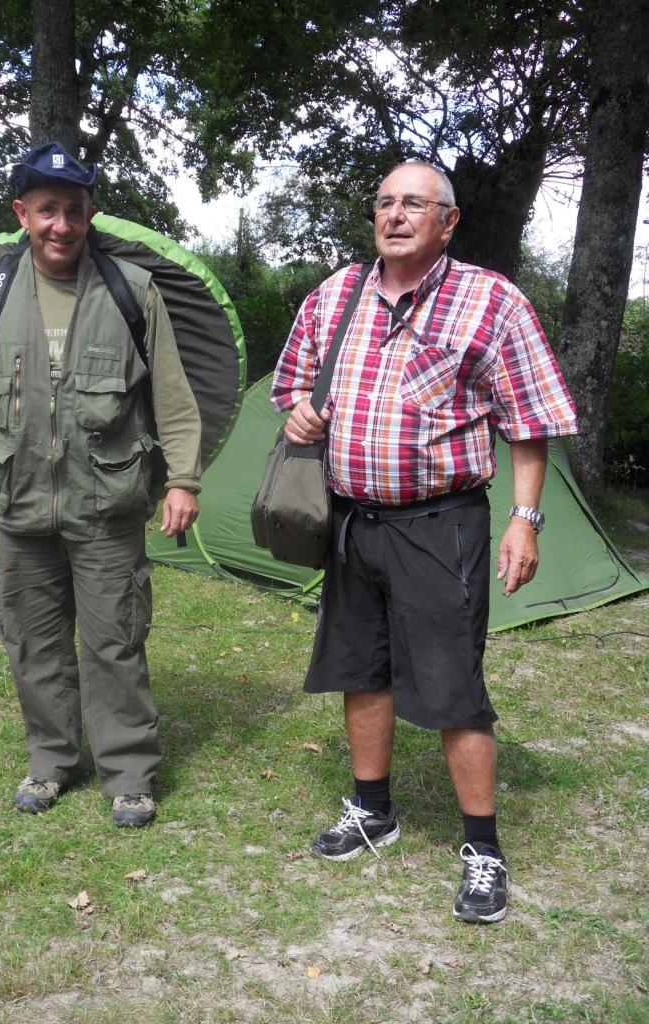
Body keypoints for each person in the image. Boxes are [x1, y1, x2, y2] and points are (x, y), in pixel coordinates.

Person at [271, 160, 578, 922]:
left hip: (442, 525)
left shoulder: (491, 301)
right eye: (385, 201)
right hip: (351, 520)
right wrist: (301, 414)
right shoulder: (336, 294)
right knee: (360, 670)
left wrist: (523, 518)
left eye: (415, 203)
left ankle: (482, 847)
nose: (396, 214)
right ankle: (373, 808)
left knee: (452, 689)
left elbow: (531, 423)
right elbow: (291, 383)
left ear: (448, 222)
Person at [0, 141, 201, 828]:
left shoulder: (131, 293)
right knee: (32, 640)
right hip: (17, 502)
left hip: (107, 502)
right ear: (22, 213)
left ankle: (129, 771)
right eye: (46, 210)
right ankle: (51, 760)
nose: (60, 225)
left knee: (114, 639)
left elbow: (172, 397)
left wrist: (183, 480)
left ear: (90, 215)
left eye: (73, 211)